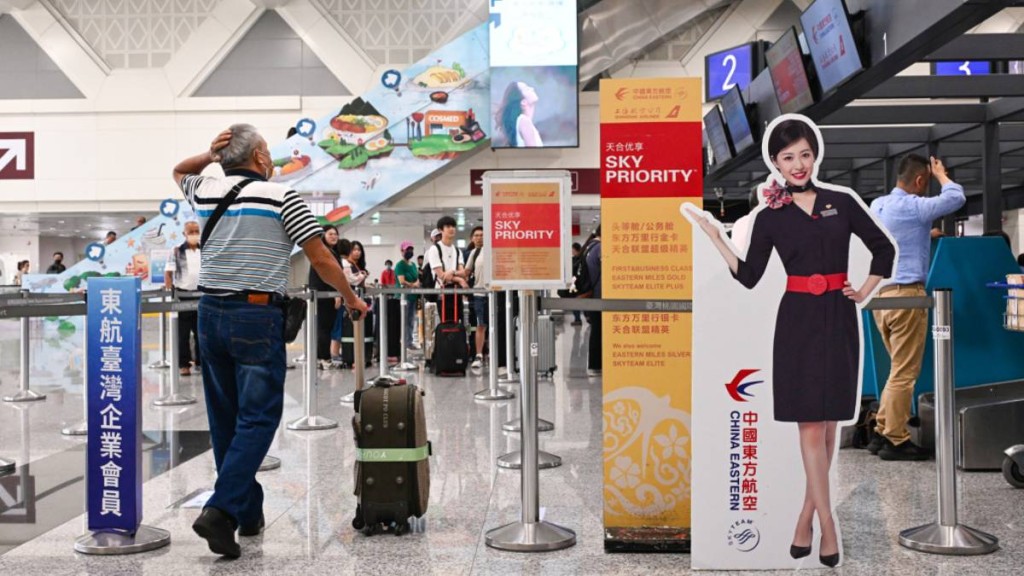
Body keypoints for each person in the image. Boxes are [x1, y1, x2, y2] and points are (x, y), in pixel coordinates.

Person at [690, 117, 895, 568]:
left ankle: (804, 519)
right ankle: (827, 525)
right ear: (776, 163)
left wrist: (864, 289)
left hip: (839, 317)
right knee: (810, 426)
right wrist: (716, 237)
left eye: (804, 154)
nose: (798, 164)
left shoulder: (842, 202)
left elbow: (883, 248)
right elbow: (749, 276)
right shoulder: (770, 217)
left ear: (814, 155)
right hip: (797, 322)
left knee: (830, 424)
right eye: (788, 157)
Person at [172, 124, 366, 559]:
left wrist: (209, 155)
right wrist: (352, 298)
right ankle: (220, 509)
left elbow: (179, 171)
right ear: (260, 157)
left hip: (210, 313)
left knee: (225, 418)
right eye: (267, 150)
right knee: (258, 417)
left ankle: (246, 510)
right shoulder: (282, 196)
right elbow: (321, 258)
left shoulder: (205, 190)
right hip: (256, 316)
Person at [869, 154, 966, 461]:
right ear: (920, 180)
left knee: (896, 369)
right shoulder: (914, 206)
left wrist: (926, 233)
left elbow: (898, 235)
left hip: (881, 297)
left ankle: (881, 430)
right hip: (907, 297)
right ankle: (895, 440)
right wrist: (942, 175)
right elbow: (956, 197)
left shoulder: (878, 206)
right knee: (905, 372)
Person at [165, 221, 203, 376]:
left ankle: (201, 363)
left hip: (202, 296)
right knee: (182, 334)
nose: (194, 234)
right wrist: (169, 290)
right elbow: (168, 273)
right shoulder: (176, 251)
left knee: (202, 333)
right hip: (182, 296)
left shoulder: (205, 249)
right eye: (190, 232)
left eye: (196, 231)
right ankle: (183, 364)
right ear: (184, 234)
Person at [308, 225, 342, 370]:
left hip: (324, 294)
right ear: (323, 236)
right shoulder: (325, 252)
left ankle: (321, 357)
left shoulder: (330, 252)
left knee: (324, 327)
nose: (334, 236)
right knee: (324, 327)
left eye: (335, 234)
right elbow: (330, 275)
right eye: (330, 234)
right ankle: (324, 358)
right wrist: (336, 293)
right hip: (325, 294)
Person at [465, 226, 487, 368]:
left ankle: (498, 354)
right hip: (479, 294)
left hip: (496, 293)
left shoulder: (493, 250)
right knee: (480, 325)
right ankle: (479, 355)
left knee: (496, 325)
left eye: (482, 235)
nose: (479, 238)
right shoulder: (474, 253)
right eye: (476, 235)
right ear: (472, 238)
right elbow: (466, 271)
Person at [497, 81, 542, 147]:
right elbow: (533, 151)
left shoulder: (523, 122)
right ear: (523, 102)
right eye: (527, 89)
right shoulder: (524, 121)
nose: (532, 88)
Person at [395, 241, 421, 350]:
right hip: (404, 298)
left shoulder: (413, 265)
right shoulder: (400, 265)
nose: (409, 251)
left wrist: (417, 283)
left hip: (413, 297)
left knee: (411, 320)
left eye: (411, 249)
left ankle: (409, 342)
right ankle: (403, 343)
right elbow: (402, 281)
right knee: (404, 321)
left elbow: (417, 278)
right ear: (402, 251)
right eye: (407, 250)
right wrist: (413, 285)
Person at [583, 228, 601, 375]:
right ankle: (596, 364)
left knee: (596, 329)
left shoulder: (589, 247)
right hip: (599, 295)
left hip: (591, 295)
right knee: (598, 331)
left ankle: (595, 364)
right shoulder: (600, 248)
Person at [568, 242, 583, 326]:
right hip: (574, 284)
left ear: (575, 249)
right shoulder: (574, 259)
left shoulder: (580, 260)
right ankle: (578, 318)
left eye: (572, 249)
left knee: (576, 301)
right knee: (574, 301)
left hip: (578, 284)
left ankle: (579, 319)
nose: (572, 251)